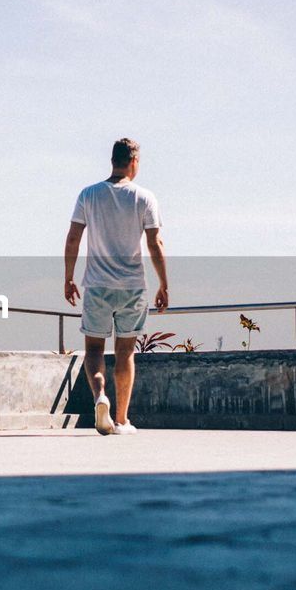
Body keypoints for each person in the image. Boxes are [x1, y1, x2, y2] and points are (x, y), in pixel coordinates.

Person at [64, 138, 168, 435]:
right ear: (134, 162)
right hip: (132, 286)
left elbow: (73, 238)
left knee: (94, 349)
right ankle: (122, 420)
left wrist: (69, 277)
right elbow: (154, 243)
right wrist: (164, 283)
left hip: (97, 285)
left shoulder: (89, 194)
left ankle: (100, 397)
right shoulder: (144, 198)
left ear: (112, 161)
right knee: (125, 352)